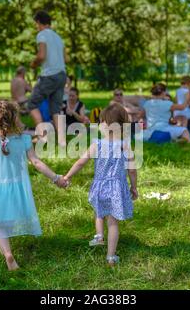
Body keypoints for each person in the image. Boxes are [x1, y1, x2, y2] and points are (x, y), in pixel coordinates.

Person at [0, 99, 68, 271]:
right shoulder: (25, 140)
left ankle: (7, 253)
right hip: (18, 186)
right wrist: (56, 178)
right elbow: (36, 162)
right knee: (10, 215)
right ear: (15, 119)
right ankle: (7, 251)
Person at [63, 103, 138, 266]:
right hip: (117, 187)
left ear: (105, 124)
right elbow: (132, 170)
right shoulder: (125, 145)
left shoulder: (97, 144)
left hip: (100, 185)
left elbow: (80, 163)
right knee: (113, 222)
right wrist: (134, 187)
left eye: (101, 121)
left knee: (99, 210)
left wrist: (68, 176)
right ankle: (110, 257)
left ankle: (99, 235)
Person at [28, 10, 68, 137]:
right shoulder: (58, 37)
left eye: (36, 24)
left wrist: (33, 64)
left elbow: (41, 56)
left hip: (49, 75)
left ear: (39, 22)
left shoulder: (42, 35)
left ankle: (42, 136)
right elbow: (66, 59)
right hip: (62, 74)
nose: (36, 26)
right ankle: (62, 141)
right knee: (55, 109)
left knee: (32, 103)